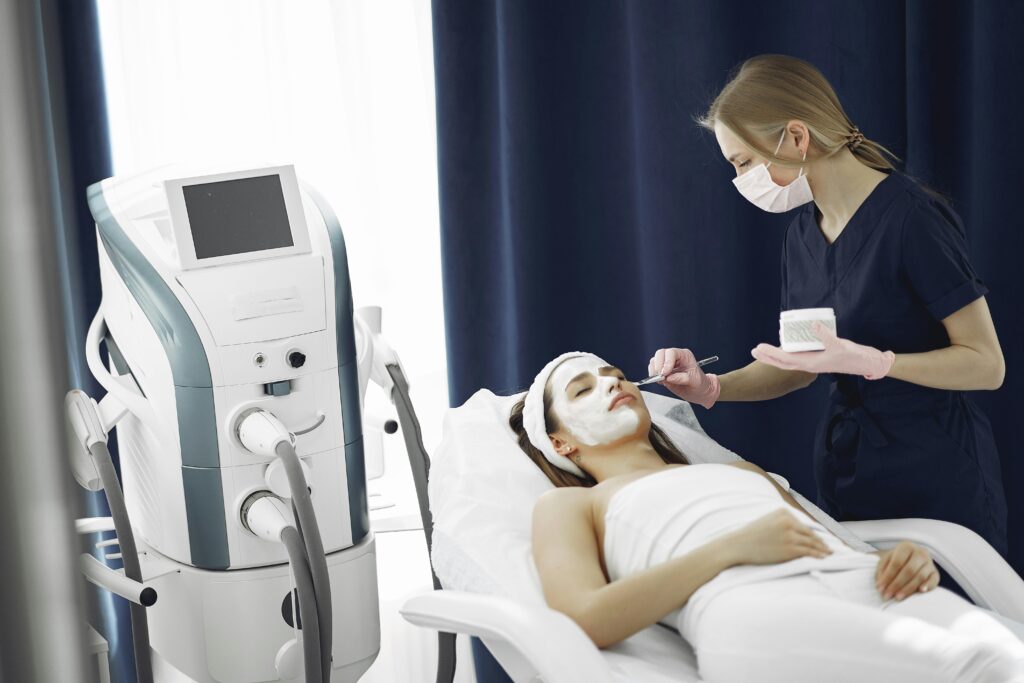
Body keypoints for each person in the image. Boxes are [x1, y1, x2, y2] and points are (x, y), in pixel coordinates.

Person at [649, 54, 1007, 564]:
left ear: (797, 136)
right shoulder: (803, 235)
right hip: (850, 473)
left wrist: (879, 363)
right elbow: (798, 368)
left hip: (937, 476)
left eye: (744, 163)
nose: (740, 180)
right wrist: (711, 387)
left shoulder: (912, 221)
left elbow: (987, 365)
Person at [508, 351, 1024, 682]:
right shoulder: (571, 505)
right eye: (583, 390)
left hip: (864, 583)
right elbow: (583, 617)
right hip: (750, 609)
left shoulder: (740, 472)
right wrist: (733, 548)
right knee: (983, 668)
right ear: (560, 443)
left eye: (615, 375)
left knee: (1011, 654)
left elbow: (840, 546)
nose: (611, 385)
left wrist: (903, 560)